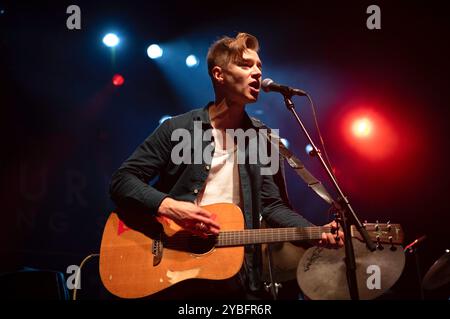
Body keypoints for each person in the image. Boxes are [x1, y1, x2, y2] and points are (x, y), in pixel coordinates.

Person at [109, 32, 344, 300]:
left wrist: (315, 233)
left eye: (259, 66)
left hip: (237, 272)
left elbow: (272, 204)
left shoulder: (263, 139)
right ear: (219, 75)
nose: (256, 73)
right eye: (245, 65)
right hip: (174, 269)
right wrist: (171, 207)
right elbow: (122, 180)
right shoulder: (178, 129)